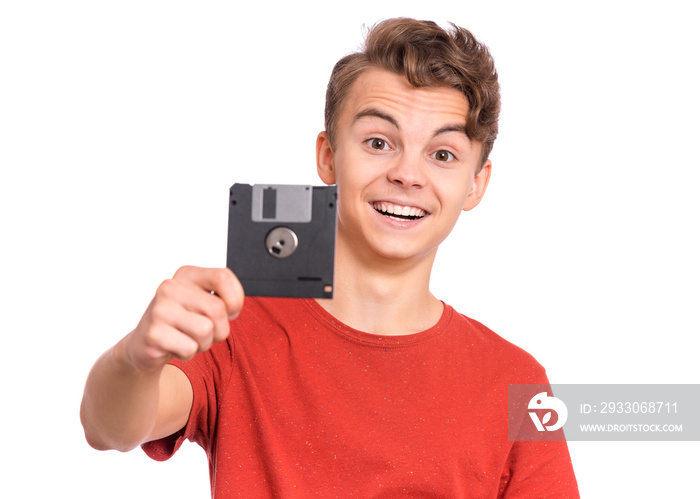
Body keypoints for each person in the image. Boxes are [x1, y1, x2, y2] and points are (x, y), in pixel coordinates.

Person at [81, 17, 579, 497]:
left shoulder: (516, 381)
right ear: (328, 156)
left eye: (442, 154)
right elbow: (109, 427)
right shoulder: (234, 329)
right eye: (379, 142)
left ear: (476, 183)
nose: (408, 174)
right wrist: (134, 359)